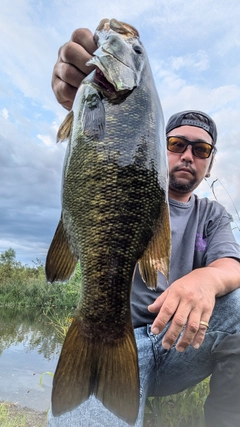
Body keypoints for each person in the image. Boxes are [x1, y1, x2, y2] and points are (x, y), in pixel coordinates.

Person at [48, 28, 240, 427]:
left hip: (179, 345)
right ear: (157, 145)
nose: (188, 155)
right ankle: (104, 381)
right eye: (176, 144)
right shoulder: (106, 108)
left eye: (200, 149)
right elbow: (94, 131)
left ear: (209, 161)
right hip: (122, 337)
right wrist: (79, 97)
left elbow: (232, 266)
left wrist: (204, 280)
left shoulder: (213, 215)